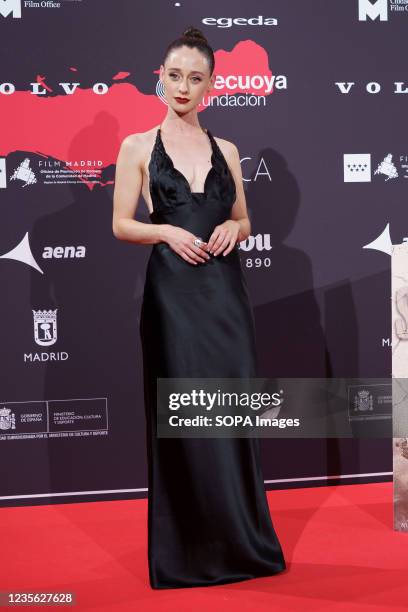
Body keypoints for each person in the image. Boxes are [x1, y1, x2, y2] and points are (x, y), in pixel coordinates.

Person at [112, 25, 286, 589]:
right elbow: (121, 224)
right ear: (159, 77)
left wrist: (234, 228)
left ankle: (243, 542)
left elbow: (243, 218)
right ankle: (186, 554)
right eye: (174, 75)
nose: (183, 86)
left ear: (211, 85)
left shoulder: (227, 150)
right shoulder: (136, 146)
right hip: (173, 301)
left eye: (196, 78)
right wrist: (164, 230)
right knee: (183, 419)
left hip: (225, 297)